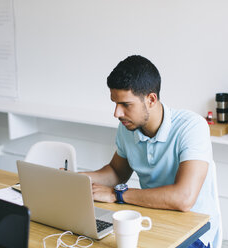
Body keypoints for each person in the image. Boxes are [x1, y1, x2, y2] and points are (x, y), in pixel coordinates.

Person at [83, 55, 220, 248]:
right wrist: (77, 180)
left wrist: (117, 195)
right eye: (115, 103)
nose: (117, 113)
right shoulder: (128, 127)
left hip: (193, 233)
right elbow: (116, 172)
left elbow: (183, 198)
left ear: (151, 99)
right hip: (150, 218)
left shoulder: (191, 127)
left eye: (125, 105)